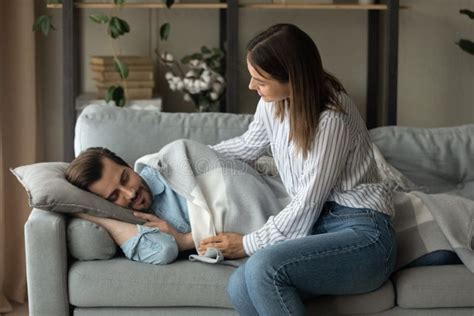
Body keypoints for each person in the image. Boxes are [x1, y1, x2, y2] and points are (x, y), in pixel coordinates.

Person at [197, 23, 397, 315]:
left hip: (362, 234)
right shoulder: (273, 102)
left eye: (260, 80)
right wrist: (189, 156)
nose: (252, 87)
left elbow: (307, 202)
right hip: (318, 229)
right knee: (239, 284)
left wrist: (248, 243)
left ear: (292, 78)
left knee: (263, 268)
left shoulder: (331, 119)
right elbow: (247, 147)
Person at [65, 147, 196, 265]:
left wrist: (184, 240)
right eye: (114, 196)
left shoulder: (171, 170)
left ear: (129, 166)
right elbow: (164, 250)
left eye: (125, 178)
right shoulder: (132, 223)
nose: (131, 194)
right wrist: (101, 220)